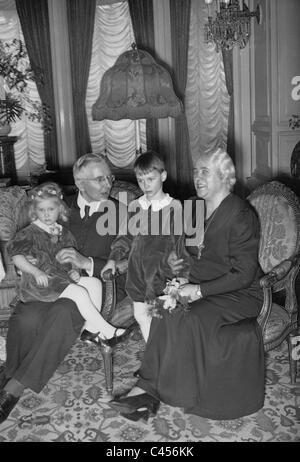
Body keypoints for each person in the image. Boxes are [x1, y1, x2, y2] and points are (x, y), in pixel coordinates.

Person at [109, 148, 265, 422]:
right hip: (208, 285)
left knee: (189, 316)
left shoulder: (240, 215)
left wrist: (199, 290)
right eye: (195, 171)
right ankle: (148, 389)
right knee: (162, 308)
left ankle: (156, 391)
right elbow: (195, 256)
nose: (197, 177)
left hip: (242, 294)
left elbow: (243, 273)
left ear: (225, 176)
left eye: (204, 171)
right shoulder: (199, 209)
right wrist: (184, 279)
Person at [0, 153, 131, 424]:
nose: (108, 183)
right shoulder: (57, 207)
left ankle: (12, 391)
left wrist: (87, 262)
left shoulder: (120, 212)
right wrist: (34, 261)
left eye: (109, 177)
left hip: (96, 285)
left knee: (64, 312)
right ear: (80, 183)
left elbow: (124, 256)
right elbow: (29, 238)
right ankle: (11, 372)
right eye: (99, 179)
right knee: (27, 316)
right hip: (53, 282)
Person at [7, 181, 126, 342]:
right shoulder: (29, 232)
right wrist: (36, 271)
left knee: (94, 283)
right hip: (41, 282)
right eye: (42, 210)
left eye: (51, 209)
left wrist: (74, 271)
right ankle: (107, 331)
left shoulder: (65, 233)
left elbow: (72, 260)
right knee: (79, 292)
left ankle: (91, 330)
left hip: (60, 278)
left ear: (60, 209)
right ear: (35, 211)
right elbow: (16, 256)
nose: (46, 214)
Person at [101, 151, 190, 342]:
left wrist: (181, 277)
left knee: (161, 320)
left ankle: (165, 361)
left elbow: (180, 245)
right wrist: (112, 259)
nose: (145, 185)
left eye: (150, 179)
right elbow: (124, 237)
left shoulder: (174, 207)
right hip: (137, 276)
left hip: (162, 276)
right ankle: (153, 358)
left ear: (163, 176)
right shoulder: (135, 206)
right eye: (141, 180)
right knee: (142, 316)